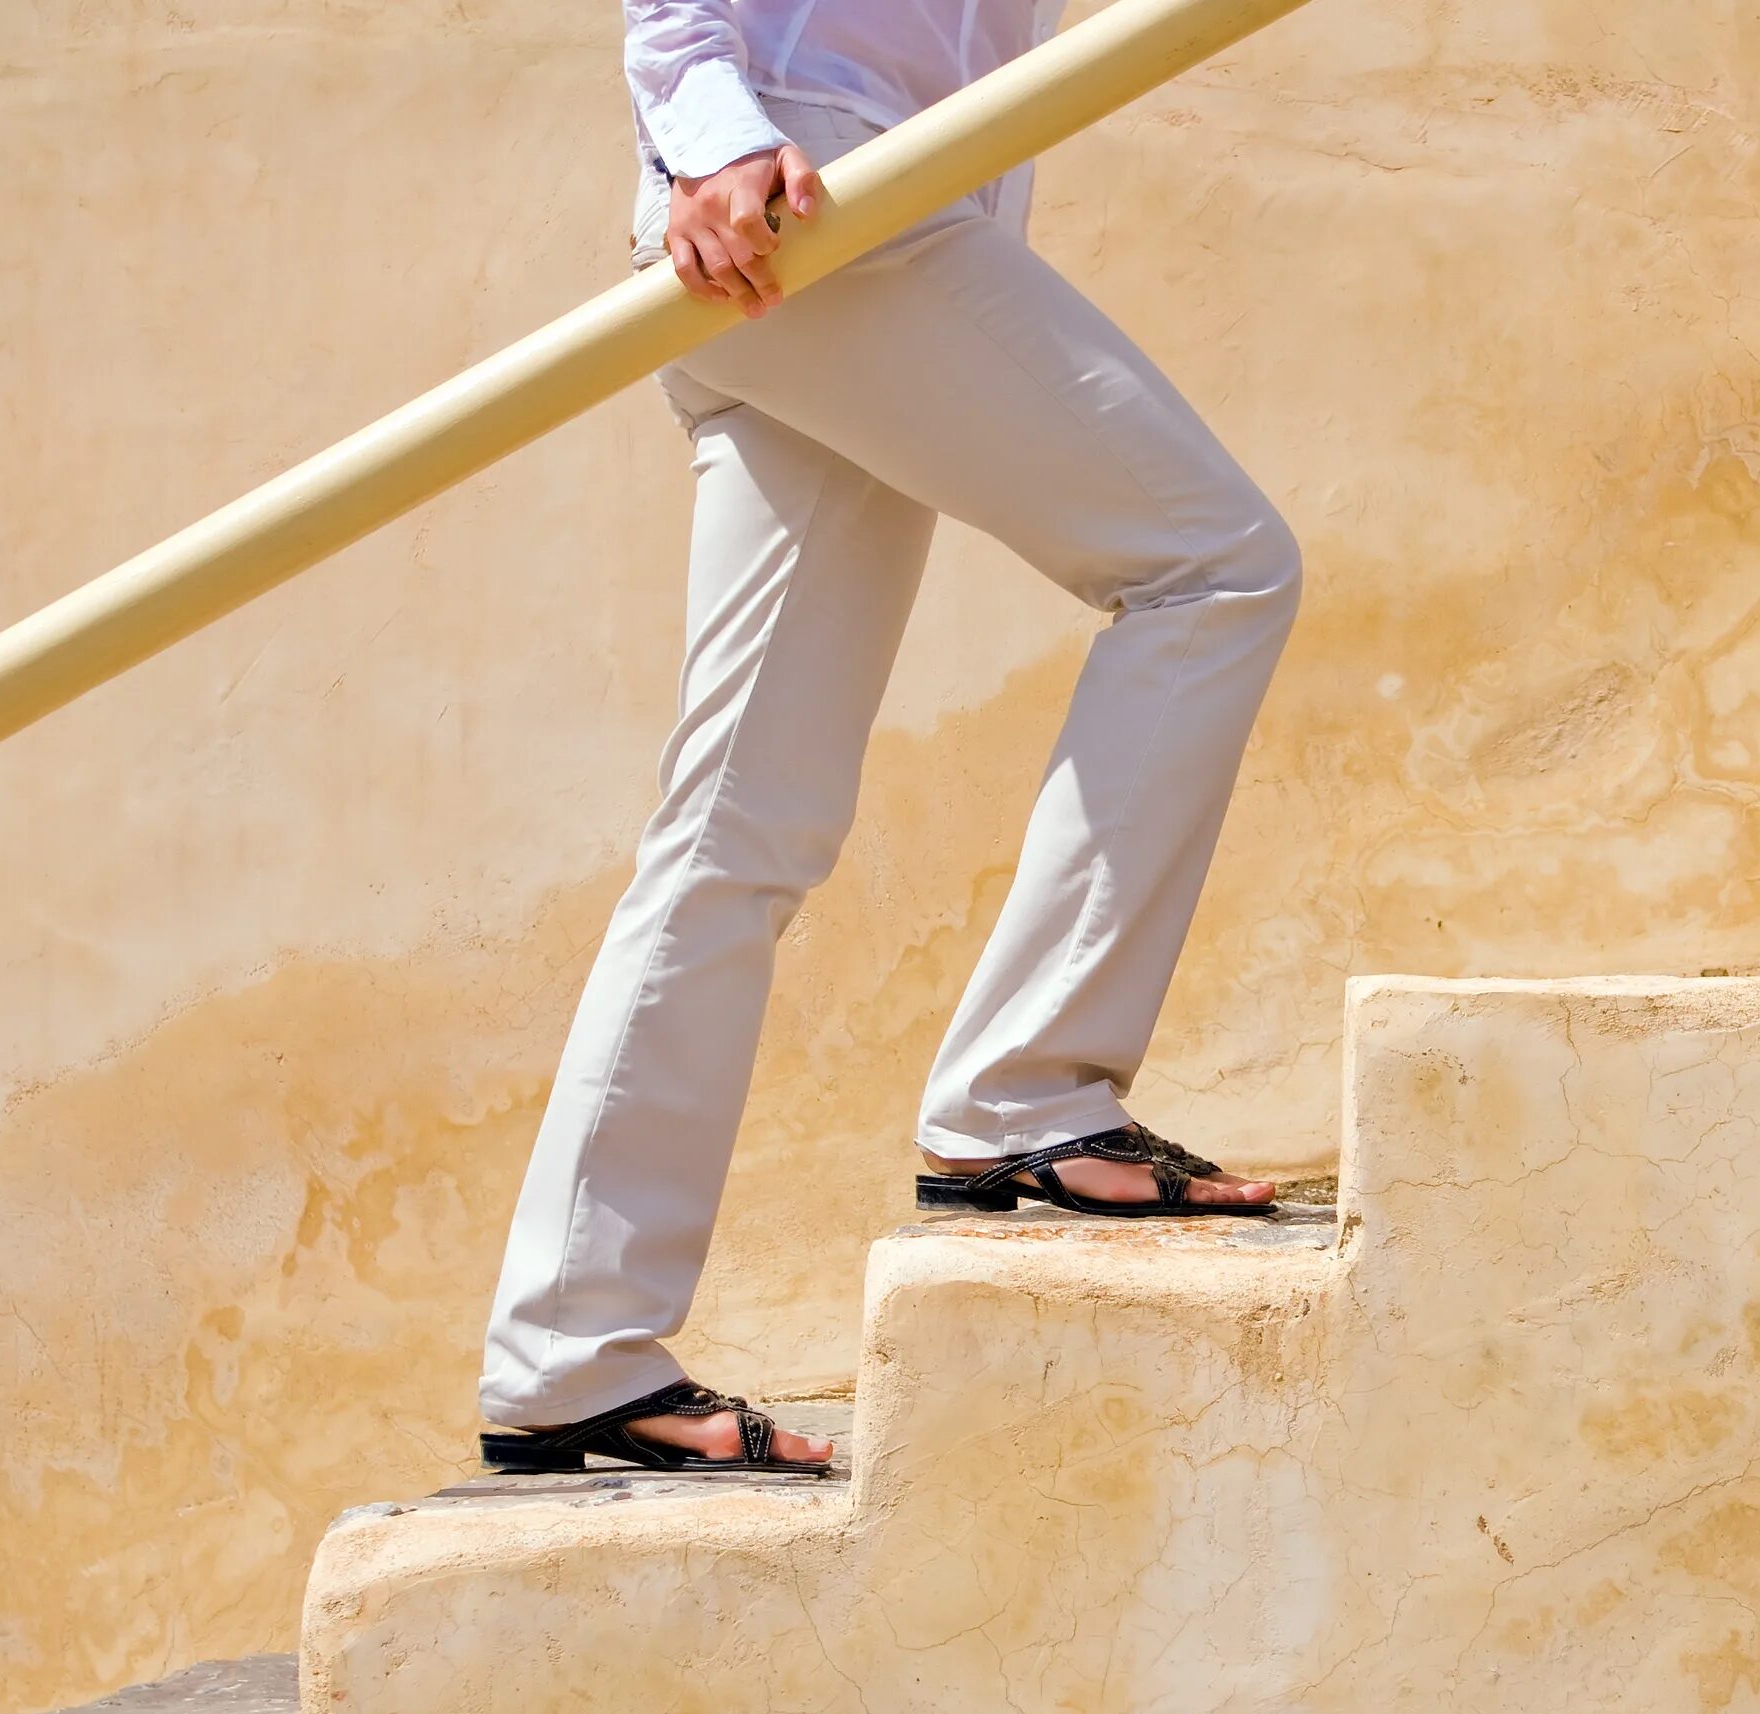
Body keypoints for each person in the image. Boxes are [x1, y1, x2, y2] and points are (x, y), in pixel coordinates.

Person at [476, 0, 1301, 1477]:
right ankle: (1026, 1095)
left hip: (842, 208)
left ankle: (573, 1354)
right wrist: (712, 135)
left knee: (740, 830)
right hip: (818, 190)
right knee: (1214, 567)